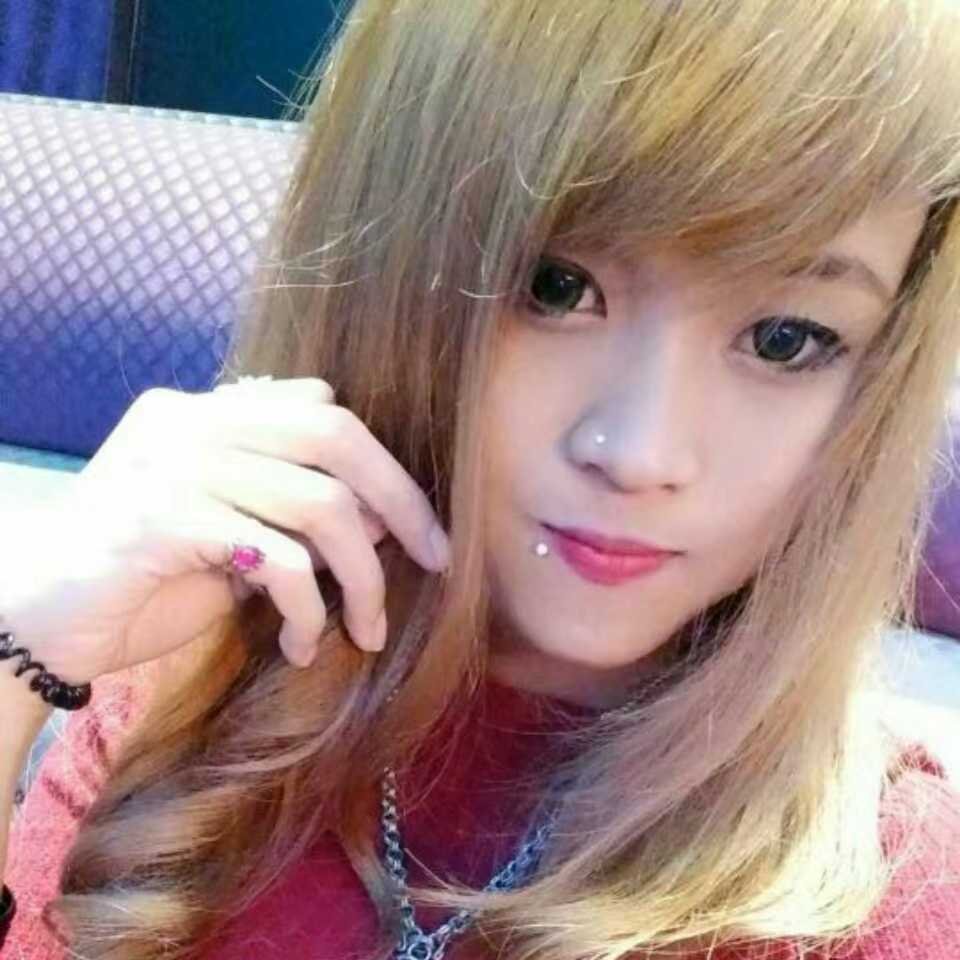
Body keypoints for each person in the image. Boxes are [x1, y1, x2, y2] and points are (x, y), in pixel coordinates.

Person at [2, 0, 960, 957]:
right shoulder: (181, 701)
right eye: (557, 287)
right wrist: (18, 654)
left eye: (786, 340)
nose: (641, 452)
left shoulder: (889, 892)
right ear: (381, 272)